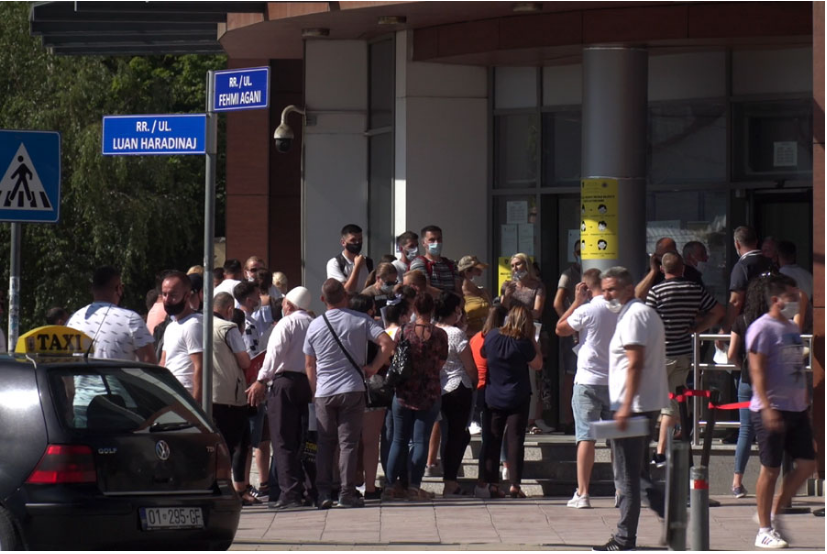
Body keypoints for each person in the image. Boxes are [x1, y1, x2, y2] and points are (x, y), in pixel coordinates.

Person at [593, 267, 667, 552]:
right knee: (638, 473)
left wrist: (624, 407)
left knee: (627, 476)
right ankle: (670, 514)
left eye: (611, 289)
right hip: (638, 405)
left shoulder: (635, 316)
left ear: (628, 288)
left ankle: (625, 538)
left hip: (632, 407)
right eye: (604, 289)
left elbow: (635, 362)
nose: (606, 294)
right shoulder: (640, 314)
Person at [304, 279, 395, 509]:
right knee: (348, 443)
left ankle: (324, 492)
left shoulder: (314, 325)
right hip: (352, 388)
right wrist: (373, 367)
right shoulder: (360, 319)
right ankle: (347, 492)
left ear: (323, 299)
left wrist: (315, 392)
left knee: (325, 443)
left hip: (325, 391)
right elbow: (387, 343)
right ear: (345, 295)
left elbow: (309, 364)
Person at [747, 274, 816, 549]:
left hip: (796, 408)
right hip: (771, 407)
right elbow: (757, 370)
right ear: (775, 300)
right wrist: (766, 406)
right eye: (789, 298)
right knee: (771, 470)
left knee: (808, 465)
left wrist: (804, 403)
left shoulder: (789, 327)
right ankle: (764, 529)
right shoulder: (761, 328)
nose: (795, 302)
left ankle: (773, 511)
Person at [646, 253, 724, 466]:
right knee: (673, 405)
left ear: (662, 269)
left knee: (649, 403)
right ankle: (662, 451)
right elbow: (717, 311)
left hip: (660, 355)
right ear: (682, 269)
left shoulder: (656, 291)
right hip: (683, 353)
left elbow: (647, 321)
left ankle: (651, 450)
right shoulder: (694, 289)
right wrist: (699, 327)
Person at [556, 268, 618, 509]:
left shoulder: (587, 310)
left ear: (586, 287)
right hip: (615, 382)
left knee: (586, 438)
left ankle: (583, 493)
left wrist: (577, 303)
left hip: (587, 381)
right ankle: (621, 491)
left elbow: (561, 328)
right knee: (617, 440)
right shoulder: (620, 309)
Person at [247, 287, 314, 510]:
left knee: (283, 438)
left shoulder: (286, 323)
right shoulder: (313, 323)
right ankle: (306, 488)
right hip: (307, 383)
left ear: (288, 304)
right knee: (302, 438)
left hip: (284, 383)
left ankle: (290, 492)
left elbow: (273, 354)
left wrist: (260, 380)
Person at [66, 266, 156, 426]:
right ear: (118, 288)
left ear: (92, 289)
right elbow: (150, 367)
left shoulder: (74, 320)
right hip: (122, 406)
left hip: (81, 404)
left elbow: (65, 368)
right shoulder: (131, 319)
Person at [385, 292, 448, 501]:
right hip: (429, 392)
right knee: (421, 440)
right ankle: (414, 485)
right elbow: (441, 362)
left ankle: (391, 484)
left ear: (414, 309)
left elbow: (395, 358)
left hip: (404, 392)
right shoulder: (440, 335)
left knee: (398, 440)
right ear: (432, 310)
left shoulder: (403, 331)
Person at [477, 304, 543, 499]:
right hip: (517, 395)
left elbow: (482, 354)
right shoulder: (523, 342)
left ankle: (491, 483)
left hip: (493, 395)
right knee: (515, 440)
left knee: (492, 439)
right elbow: (538, 364)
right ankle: (514, 484)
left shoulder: (492, 336)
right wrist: (533, 340)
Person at [728, 276, 771, 499]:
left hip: (746, 379)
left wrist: (741, 366)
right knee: (769, 431)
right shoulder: (772, 322)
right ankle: (769, 479)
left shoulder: (741, 320)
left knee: (745, 430)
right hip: (770, 381)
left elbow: (730, 353)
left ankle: (737, 481)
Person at [210, 292, 255, 505]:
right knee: (236, 444)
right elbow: (245, 361)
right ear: (230, 310)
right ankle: (234, 488)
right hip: (230, 395)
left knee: (217, 445)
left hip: (208, 395)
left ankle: (221, 487)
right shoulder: (229, 328)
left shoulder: (198, 325)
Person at [434, 292, 478, 496]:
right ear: (455, 311)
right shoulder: (455, 334)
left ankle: (449, 478)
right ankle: (450, 480)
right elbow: (469, 365)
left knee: (448, 435)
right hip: (458, 386)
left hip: (439, 387)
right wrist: (476, 380)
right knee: (458, 435)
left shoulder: (433, 331)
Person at [501, 253, 549, 434]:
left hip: (530, 332)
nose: (515, 269)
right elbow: (502, 309)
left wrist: (520, 313)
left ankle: (532, 419)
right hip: (510, 333)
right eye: (512, 266)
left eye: (519, 264)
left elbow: (537, 312)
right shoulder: (507, 285)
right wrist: (507, 295)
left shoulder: (538, 286)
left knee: (533, 375)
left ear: (527, 266)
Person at [233, 279, 272, 500]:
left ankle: (246, 485)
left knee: (253, 439)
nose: (259, 298)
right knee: (248, 441)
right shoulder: (246, 325)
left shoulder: (248, 321)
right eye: (257, 295)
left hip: (250, 386)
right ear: (249, 299)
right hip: (250, 388)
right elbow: (249, 357)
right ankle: (244, 486)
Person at [469, 306, 508, 478]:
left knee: (488, 435)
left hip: (476, 387)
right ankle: (506, 463)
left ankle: (484, 475)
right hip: (492, 387)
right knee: (500, 431)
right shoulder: (499, 339)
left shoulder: (477, 338)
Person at [159, 271, 204, 401]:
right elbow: (163, 362)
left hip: (186, 397)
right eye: (164, 294)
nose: (167, 300)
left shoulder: (193, 325)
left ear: (187, 296)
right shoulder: (171, 326)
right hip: (170, 395)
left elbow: (200, 367)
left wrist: (195, 405)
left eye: (173, 295)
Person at [723, 226, 773, 335]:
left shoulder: (742, 267)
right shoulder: (772, 264)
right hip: (772, 324)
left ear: (737, 244)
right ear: (756, 241)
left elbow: (736, 301)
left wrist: (724, 329)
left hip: (750, 327)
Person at [554, 242, 582, 436]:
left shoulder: (596, 272)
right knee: (570, 375)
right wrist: (569, 324)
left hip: (591, 330)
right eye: (579, 252)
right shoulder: (569, 274)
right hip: (574, 331)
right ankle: (567, 419)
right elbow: (557, 303)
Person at [635, 237, 704, 300]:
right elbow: (638, 296)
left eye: (664, 256)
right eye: (658, 256)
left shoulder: (691, 273)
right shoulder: (655, 271)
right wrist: (653, 272)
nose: (662, 260)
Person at [410, 225, 461, 294]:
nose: (436, 243)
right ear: (423, 243)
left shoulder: (451, 264)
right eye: (432, 240)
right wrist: (451, 298)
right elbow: (426, 289)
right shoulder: (418, 263)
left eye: (439, 239)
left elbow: (458, 290)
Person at [326, 224, 373, 294]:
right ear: (343, 242)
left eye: (360, 240)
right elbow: (346, 291)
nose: (357, 243)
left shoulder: (367, 262)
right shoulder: (335, 263)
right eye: (353, 240)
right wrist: (357, 266)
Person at [458, 255, 492, 337]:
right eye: (477, 270)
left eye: (481, 270)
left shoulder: (484, 291)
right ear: (466, 272)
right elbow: (458, 324)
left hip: (488, 337)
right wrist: (478, 333)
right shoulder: (458, 294)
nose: (480, 274)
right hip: (470, 340)